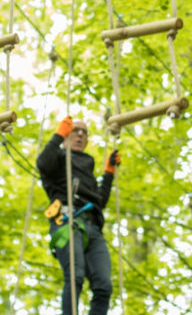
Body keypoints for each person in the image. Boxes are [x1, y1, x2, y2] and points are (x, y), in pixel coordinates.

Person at [37, 116, 121, 315]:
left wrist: (108, 173)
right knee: (75, 276)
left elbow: (99, 202)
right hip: (67, 222)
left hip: (92, 227)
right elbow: (42, 163)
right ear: (67, 135)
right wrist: (58, 135)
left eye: (85, 132)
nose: (81, 134)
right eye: (76, 130)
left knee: (104, 286)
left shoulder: (87, 166)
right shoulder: (57, 159)